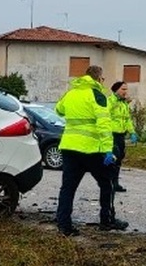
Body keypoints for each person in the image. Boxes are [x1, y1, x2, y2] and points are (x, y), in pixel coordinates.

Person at [55, 66, 128, 235]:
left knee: (68, 188)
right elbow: (104, 124)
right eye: (102, 79)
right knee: (107, 184)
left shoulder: (71, 93)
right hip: (92, 150)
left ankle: (64, 226)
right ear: (98, 78)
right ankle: (106, 220)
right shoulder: (97, 95)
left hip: (69, 147)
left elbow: (59, 110)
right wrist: (108, 150)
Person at [107, 81, 138, 193]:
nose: (126, 92)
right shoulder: (110, 101)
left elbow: (127, 119)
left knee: (119, 158)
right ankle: (108, 183)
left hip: (121, 135)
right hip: (111, 134)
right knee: (113, 158)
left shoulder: (124, 104)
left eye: (126, 89)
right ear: (116, 90)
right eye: (123, 89)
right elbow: (105, 115)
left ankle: (115, 183)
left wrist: (132, 132)